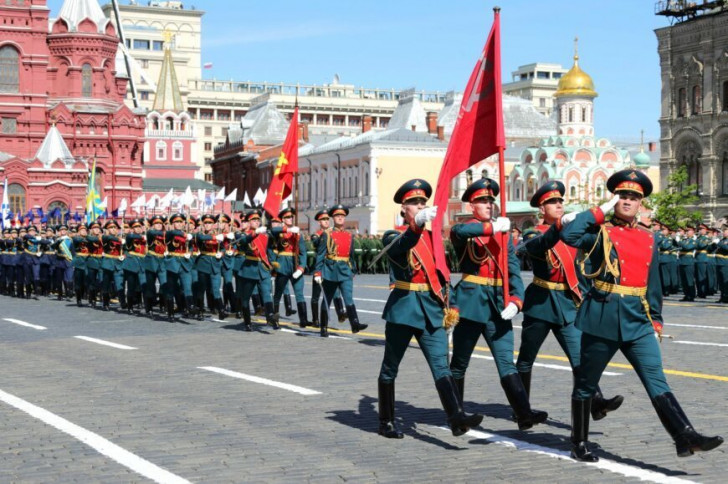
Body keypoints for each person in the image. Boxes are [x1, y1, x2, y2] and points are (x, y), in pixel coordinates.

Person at [559, 169, 723, 461]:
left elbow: (653, 284)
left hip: (638, 320)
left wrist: (657, 319)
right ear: (614, 199)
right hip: (603, 317)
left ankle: (684, 436)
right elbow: (569, 235)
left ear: (641, 203)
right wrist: (598, 211)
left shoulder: (650, 237)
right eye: (622, 195)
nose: (628, 200)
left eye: (634, 197)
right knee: (586, 382)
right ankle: (579, 442)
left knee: (657, 380)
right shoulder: (600, 231)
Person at [377, 178, 483, 438]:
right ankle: (386, 420)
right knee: (390, 366)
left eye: (423, 202)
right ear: (404, 209)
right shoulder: (394, 235)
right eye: (414, 203)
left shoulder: (433, 239)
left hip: (433, 308)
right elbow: (402, 247)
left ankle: (456, 417)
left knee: (441, 366)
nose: (420, 205)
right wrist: (417, 225)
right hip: (404, 308)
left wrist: (453, 303)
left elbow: (443, 275)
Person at [516, 180, 623, 421]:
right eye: (551, 202)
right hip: (542, 304)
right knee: (526, 358)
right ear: (541, 210)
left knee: (580, 359)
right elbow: (538, 245)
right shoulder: (536, 232)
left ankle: (596, 402)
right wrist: (558, 228)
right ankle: (521, 408)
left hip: (567, 302)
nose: (558, 205)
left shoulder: (572, 233)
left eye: (560, 201)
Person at [449, 177, 548, 431]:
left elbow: (513, 270)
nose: (489, 205)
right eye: (483, 201)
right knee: (460, 362)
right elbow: (458, 233)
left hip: (498, 305)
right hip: (471, 303)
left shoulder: (503, 235)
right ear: (472, 206)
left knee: (506, 361)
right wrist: (490, 229)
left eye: (491, 201)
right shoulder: (466, 230)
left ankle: (523, 414)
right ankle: (457, 415)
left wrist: (516, 299)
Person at [314, 205, 367, 337]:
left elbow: (351, 255)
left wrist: (353, 270)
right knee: (327, 299)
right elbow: (320, 254)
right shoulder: (327, 234)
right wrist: (318, 272)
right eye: (337, 216)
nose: (340, 218)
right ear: (333, 218)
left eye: (342, 216)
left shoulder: (349, 236)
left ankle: (355, 324)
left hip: (345, 270)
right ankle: (324, 327)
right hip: (331, 270)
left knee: (349, 298)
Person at [270, 207, 308, 327]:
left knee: (299, 293)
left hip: (295, 264)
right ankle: (275, 319)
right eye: (287, 217)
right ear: (282, 220)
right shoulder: (279, 232)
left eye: (291, 217)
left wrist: (301, 267)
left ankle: (303, 320)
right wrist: (288, 229)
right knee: (278, 294)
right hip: (282, 265)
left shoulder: (297, 234)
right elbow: (273, 231)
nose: (290, 219)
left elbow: (303, 252)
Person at [100, 220, 124, 311]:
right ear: (107, 229)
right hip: (107, 264)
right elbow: (109, 238)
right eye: (111, 228)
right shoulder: (105, 237)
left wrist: (123, 255)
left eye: (115, 228)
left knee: (119, 284)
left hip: (118, 264)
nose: (113, 229)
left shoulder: (120, 238)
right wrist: (120, 240)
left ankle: (123, 302)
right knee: (106, 284)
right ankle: (106, 303)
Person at [678, 225, 697, 301]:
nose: (687, 232)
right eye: (686, 231)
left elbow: (687, 247)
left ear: (693, 232)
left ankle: (691, 295)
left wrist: (680, 241)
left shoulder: (694, 241)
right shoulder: (684, 240)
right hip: (682, 261)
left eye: (688, 231)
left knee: (689, 279)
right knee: (684, 280)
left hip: (689, 262)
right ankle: (686, 294)